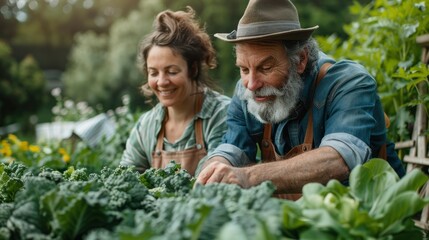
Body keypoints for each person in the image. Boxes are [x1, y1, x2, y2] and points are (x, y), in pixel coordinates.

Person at [196, 0, 405, 198]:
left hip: (378, 220)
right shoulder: (249, 92)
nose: (251, 84)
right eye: (243, 69)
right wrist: (214, 168)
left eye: (265, 68)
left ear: (300, 60)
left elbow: (338, 159)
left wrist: (247, 176)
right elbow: (232, 148)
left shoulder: (348, 83)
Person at [120, 7, 230, 176]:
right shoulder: (146, 127)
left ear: (192, 69)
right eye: (154, 73)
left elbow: (215, 179)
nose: (162, 82)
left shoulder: (221, 114)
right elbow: (126, 178)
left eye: (172, 71)